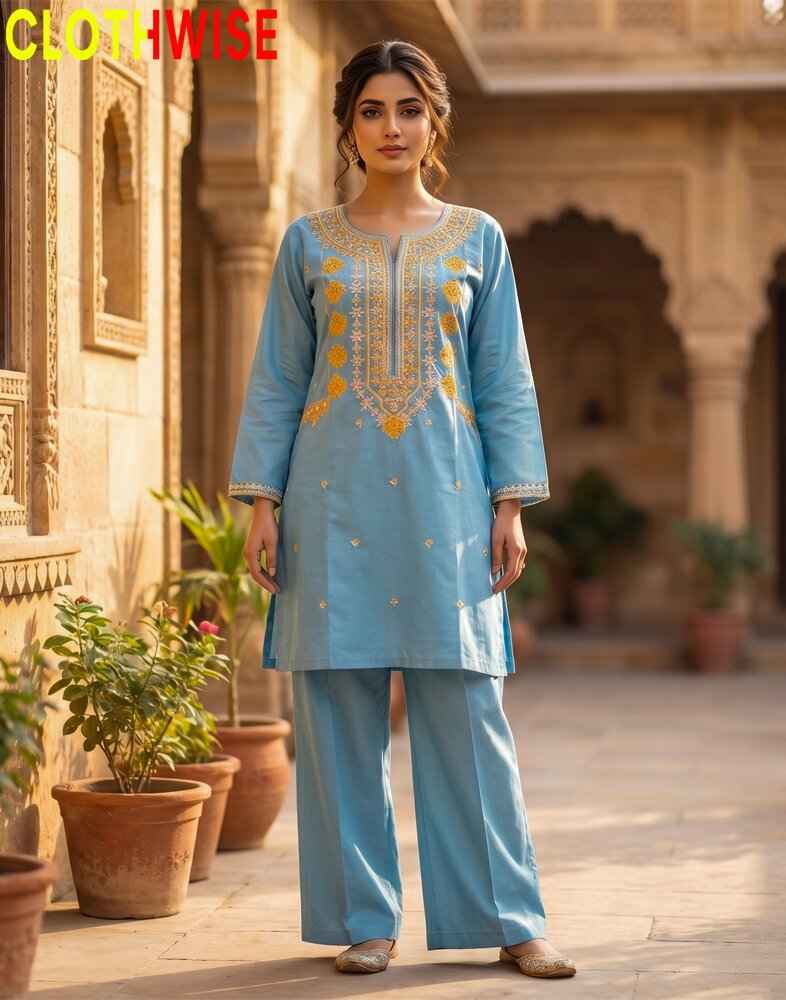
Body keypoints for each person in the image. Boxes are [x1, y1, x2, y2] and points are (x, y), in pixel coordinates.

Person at [228, 39, 577, 981]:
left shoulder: (477, 238)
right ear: (348, 126)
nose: (392, 127)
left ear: (435, 122)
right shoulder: (309, 242)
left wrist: (511, 503)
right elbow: (278, 379)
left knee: (468, 712)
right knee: (337, 714)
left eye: (410, 109)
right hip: (328, 504)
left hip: (448, 503)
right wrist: (262, 503)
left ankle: (511, 918)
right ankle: (364, 921)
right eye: (373, 110)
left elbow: (503, 379)